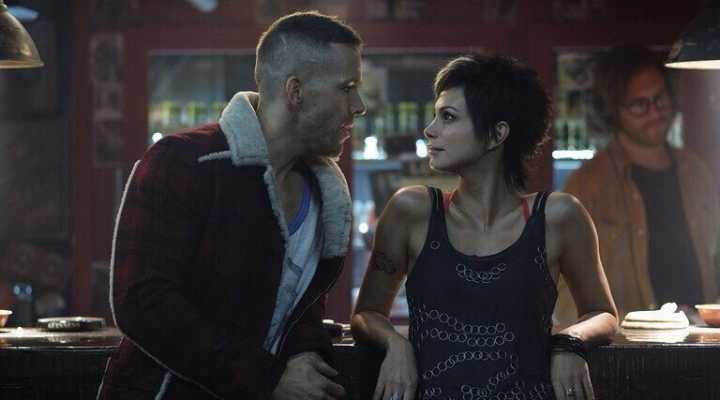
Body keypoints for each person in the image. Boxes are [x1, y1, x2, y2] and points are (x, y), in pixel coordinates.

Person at [97, 11, 366, 400]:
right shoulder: (183, 160)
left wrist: (305, 351)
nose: (358, 105)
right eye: (347, 87)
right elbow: (141, 302)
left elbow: (300, 306)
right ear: (295, 92)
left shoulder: (325, 191)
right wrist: (268, 379)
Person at [351, 54, 618, 400]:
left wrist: (570, 341)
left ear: (496, 133)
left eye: (448, 117)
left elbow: (603, 313)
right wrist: (395, 343)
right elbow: (367, 313)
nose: (430, 129)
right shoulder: (412, 211)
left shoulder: (558, 216)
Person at [554, 45, 720, 326]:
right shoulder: (586, 185)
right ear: (614, 110)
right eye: (639, 104)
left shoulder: (698, 172)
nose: (654, 112)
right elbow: (566, 293)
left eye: (660, 99)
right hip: (629, 346)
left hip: (699, 338)